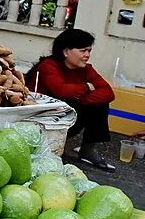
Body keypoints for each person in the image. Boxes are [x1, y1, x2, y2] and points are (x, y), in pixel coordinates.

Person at [26, 28, 116, 172]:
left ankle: (88, 149)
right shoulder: (48, 66)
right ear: (66, 51)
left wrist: (82, 99)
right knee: (71, 101)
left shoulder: (86, 69)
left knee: (100, 104)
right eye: (83, 51)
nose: (87, 55)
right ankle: (52, 148)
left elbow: (108, 92)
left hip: (70, 112)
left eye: (89, 51)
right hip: (40, 117)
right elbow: (60, 90)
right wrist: (86, 87)